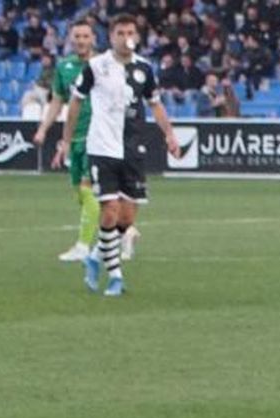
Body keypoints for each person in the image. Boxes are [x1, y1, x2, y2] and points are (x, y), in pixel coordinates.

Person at [60, 13, 182, 298]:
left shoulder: (144, 68)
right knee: (109, 210)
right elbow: (75, 102)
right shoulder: (96, 66)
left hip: (133, 149)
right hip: (102, 147)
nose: (125, 37)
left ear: (136, 37)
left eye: (130, 32)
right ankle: (115, 277)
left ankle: (94, 256)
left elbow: (156, 105)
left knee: (126, 217)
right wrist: (66, 139)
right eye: (119, 32)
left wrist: (170, 135)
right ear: (111, 36)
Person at [34, 20, 99, 264]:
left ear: (93, 38)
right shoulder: (65, 67)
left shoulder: (103, 65)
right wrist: (44, 130)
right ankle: (123, 230)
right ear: (71, 39)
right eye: (77, 36)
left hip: (99, 138)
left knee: (86, 188)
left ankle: (83, 246)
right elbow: (57, 102)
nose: (81, 40)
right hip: (74, 138)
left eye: (85, 36)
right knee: (80, 195)